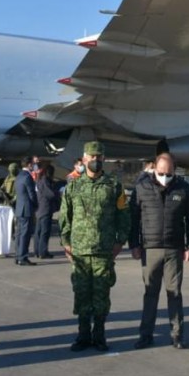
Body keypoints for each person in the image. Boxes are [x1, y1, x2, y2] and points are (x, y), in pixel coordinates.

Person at [59, 141, 130, 352]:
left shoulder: (114, 185)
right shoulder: (73, 185)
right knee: (81, 294)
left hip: (103, 250)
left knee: (101, 295)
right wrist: (66, 242)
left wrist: (119, 241)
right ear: (84, 159)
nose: (96, 160)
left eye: (99, 157)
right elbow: (65, 216)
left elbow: (123, 215)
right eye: (92, 157)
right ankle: (83, 336)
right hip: (79, 251)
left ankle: (99, 335)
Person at [129, 153, 189, 349]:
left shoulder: (184, 189)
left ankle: (177, 335)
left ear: (174, 171)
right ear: (154, 168)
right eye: (161, 173)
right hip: (150, 249)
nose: (165, 177)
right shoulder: (142, 188)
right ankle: (146, 335)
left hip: (174, 249)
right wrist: (133, 244)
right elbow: (133, 218)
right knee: (150, 292)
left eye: (169, 173)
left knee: (174, 293)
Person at [14, 156, 39, 266]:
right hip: (27, 208)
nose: (34, 166)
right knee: (25, 234)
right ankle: (23, 257)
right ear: (29, 164)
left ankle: (18, 256)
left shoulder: (19, 176)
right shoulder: (27, 177)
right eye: (33, 164)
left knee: (19, 234)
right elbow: (31, 194)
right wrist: (36, 205)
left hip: (19, 208)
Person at [34, 162, 60, 259]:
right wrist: (58, 194)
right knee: (44, 231)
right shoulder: (45, 181)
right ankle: (43, 252)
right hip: (45, 209)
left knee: (39, 231)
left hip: (40, 209)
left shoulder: (39, 180)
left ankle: (38, 250)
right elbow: (50, 194)